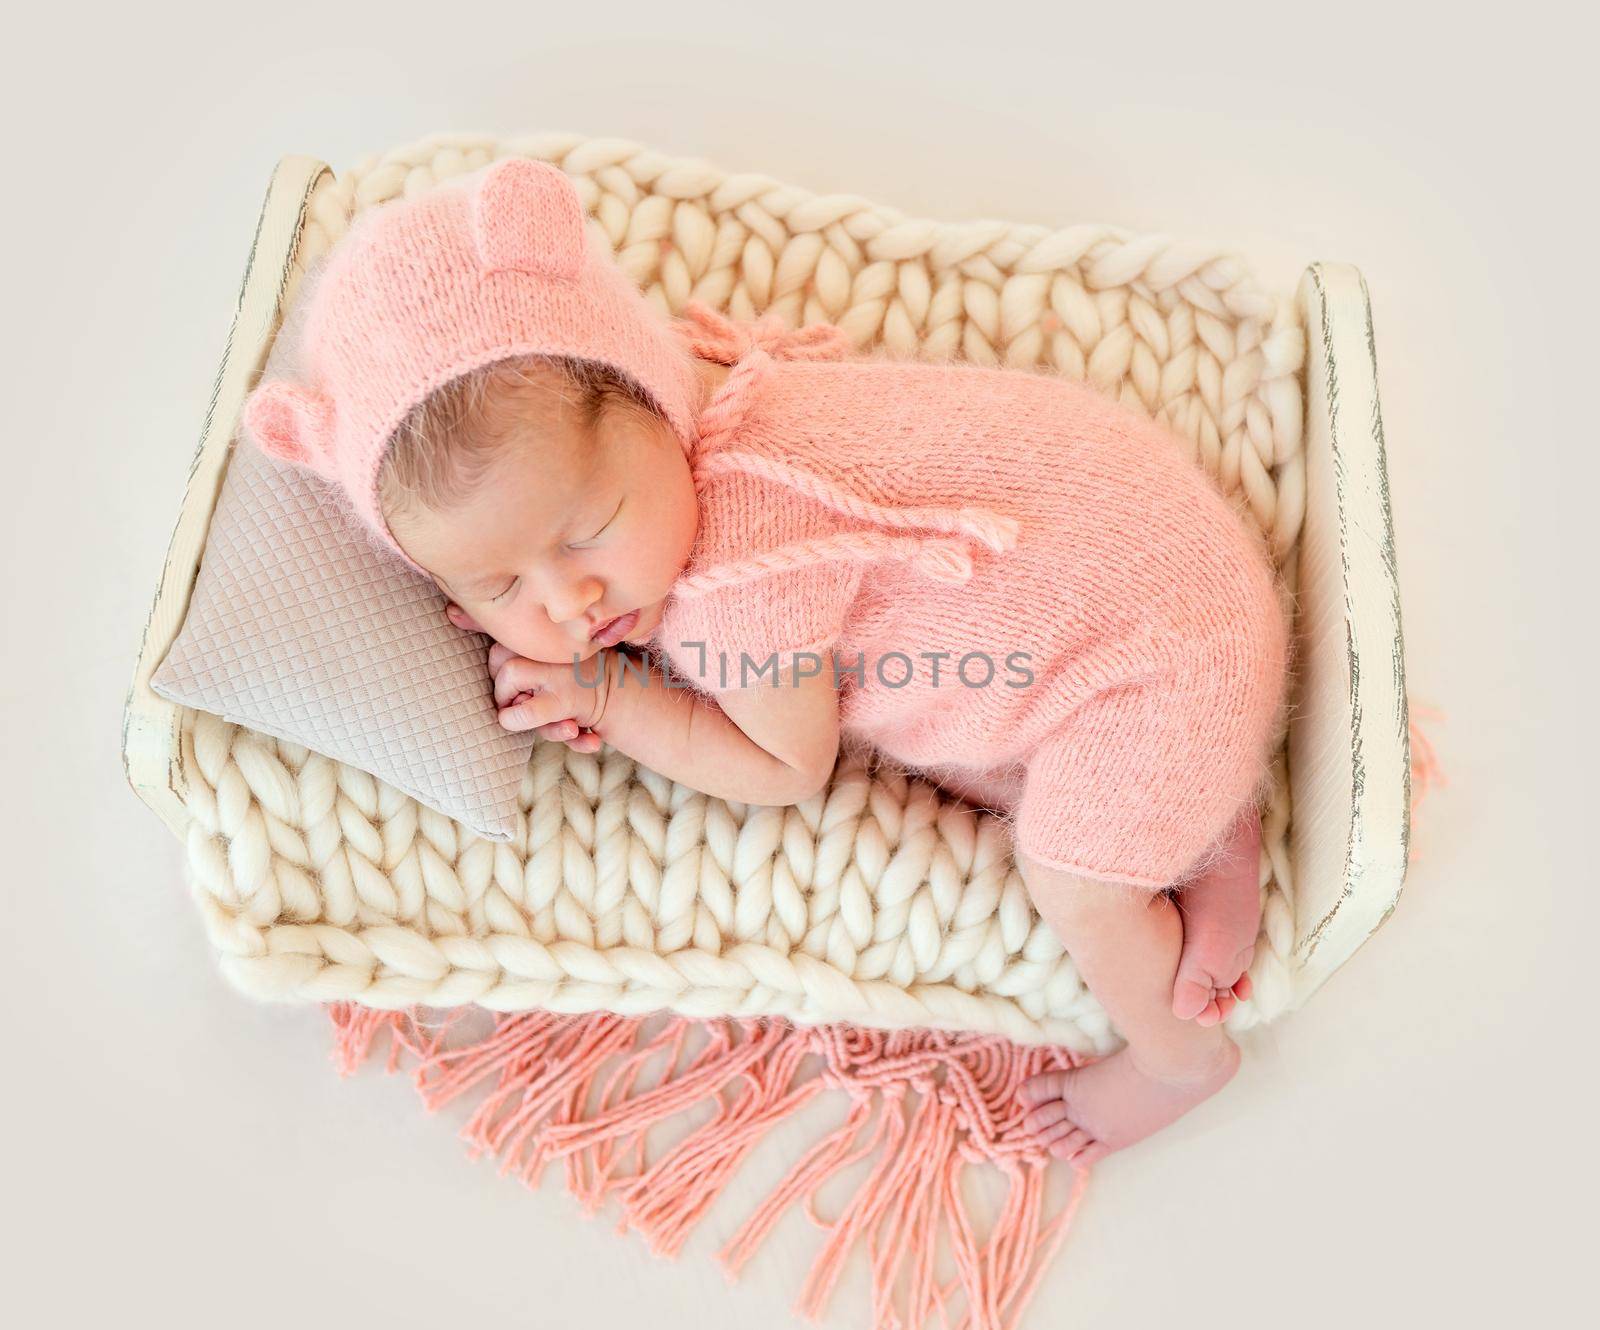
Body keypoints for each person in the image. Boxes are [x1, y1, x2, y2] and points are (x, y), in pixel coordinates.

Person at [243, 156, 1293, 1168]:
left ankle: (1178, 1056)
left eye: (585, 530)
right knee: (1041, 739)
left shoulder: (740, 578)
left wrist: (613, 693)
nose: (570, 602)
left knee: (1072, 873)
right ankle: (1212, 828)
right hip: (1167, 565)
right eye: (497, 587)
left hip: (1151, 664)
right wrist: (555, 567)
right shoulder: (718, 386)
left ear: (644, 393)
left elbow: (785, 767)